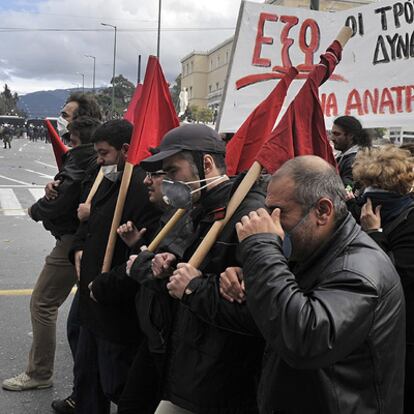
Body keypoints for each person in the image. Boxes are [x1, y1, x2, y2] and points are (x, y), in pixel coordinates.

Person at [233, 155, 405, 413]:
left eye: (280, 212)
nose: (272, 222)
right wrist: (247, 277)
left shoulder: (360, 270)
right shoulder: (315, 251)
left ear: (323, 211)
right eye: (269, 211)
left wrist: (261, 251)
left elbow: (305, 338)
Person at [132, 124, 265, 414]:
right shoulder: (200, 208)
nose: (167, 182)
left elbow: (261, 312)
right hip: (190, 366)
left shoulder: (247, 215)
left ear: (206, 163)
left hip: (222, 379)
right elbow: (193, 276)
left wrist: (193, 288)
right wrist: (168, 270)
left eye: (173, 171)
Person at [65, 119, 161, 414]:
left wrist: (105, 287)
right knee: (87, 379)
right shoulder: (109, 179)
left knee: (116, 385)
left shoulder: (144, 191)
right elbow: (90, 222)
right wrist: (78, 249)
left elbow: (143, 258)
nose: (99, 160)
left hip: (114, 309)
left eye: (104, 153)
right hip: (91, 301)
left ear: (126, 150)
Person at [2, 116, 101, 392]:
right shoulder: (94, 159)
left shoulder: (81, 158)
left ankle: (39, 372)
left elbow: (64, 198)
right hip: (84, 239)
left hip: (73, 241)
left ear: (74, 135)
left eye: (68, 117)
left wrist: (36, 210)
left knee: (43, 303)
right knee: (82, 317)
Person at [353, 145, 414, 413]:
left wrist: (375, 234)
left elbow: (398, 281)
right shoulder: (360, 213)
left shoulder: (409, 222)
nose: (367, 196)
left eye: (376, 187)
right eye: (365, 187)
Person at [330, 115, 371, 188]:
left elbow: (345, 189)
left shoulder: (354, 160)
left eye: (337, 134)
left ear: (351, 136)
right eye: (332, 133)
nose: (332, 138)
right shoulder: (345, 156)